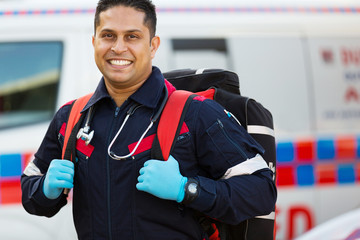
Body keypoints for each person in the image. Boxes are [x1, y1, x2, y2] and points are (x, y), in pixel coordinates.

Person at [21, 0, 277, 239]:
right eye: (108, 35)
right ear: (94, 42)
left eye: (132, 36)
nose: (118, 47)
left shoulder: (196, 113)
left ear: (153, 46)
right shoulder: (72, 116)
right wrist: (44, 189)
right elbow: (30, 190)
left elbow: (261, 192)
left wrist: (186, 189)